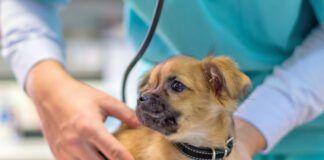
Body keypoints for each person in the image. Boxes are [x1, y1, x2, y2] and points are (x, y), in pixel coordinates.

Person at [1, 0, 324, 160]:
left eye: (174, 87)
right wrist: (47, 84)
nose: (148, 97)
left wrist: (254, 126)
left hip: (308, 131)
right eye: (148, 87)